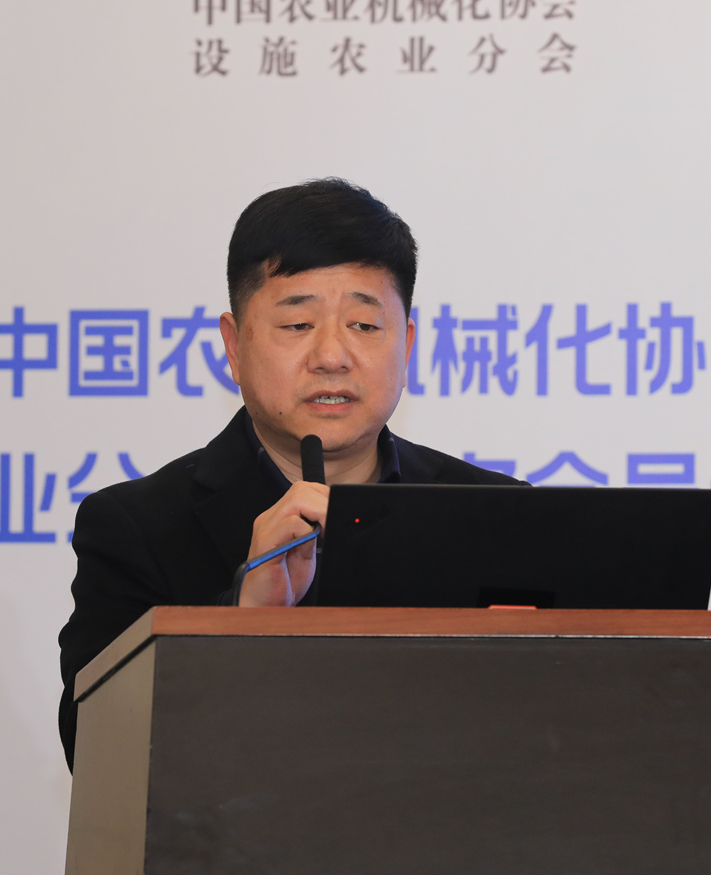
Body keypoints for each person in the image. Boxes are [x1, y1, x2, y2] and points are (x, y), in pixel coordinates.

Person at [57, 178, 521, 768]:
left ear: (406, 344)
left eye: (364, 325)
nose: (332, 357)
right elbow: (99, 751)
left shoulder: (495, 514)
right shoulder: (137, 528)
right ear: (234, 346)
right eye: (298, 325)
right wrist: (242, 615)